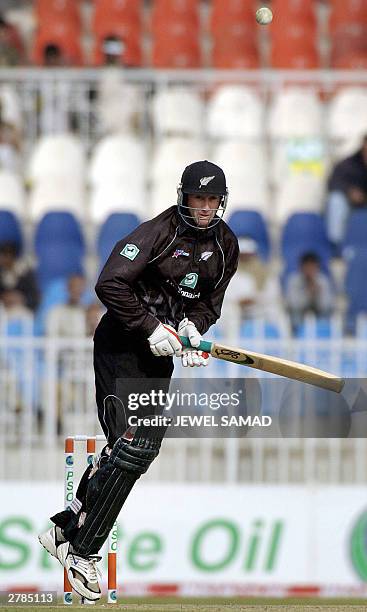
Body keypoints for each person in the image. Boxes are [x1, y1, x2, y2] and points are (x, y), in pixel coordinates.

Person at [38, 160, 239, 601]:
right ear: (183, 197)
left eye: (211, 199)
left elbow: (211, 304)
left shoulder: (226, 245)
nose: (204, 208)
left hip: (159, 356)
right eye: (197, 198)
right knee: (136, 443)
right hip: (122, 344)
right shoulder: (157, 232)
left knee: (133, 450)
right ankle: (83, 552)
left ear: (221, 201)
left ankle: (65, 528)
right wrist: (150, 327)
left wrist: (191, 329)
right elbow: (109, 283)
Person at [326, 135, 367, 247]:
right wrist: (350, 192)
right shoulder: (348, 164)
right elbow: (333, 183)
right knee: (336, 200)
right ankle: (337, 245)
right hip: (352, 206)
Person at [285, 252, 334, 333]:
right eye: (307, 266)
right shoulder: (293, 280)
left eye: (312, 267)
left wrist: (317, 294)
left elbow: (327, 306)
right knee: (295, 316)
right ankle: (298, 335)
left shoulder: (322, 281)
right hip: (299, 316)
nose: (309, 270)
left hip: (319, 314)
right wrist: (308, 294)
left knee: (326, 317)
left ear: (317, 267)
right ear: (301, 267)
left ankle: (323, 335)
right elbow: (293, 304)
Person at [0, 241, 40, 311]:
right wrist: (4, 298)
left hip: (22, 310)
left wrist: (21, 299)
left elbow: (35, 298)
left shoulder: (26, 273)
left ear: (10, 256)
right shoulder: (1, 272)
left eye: (3, 256)